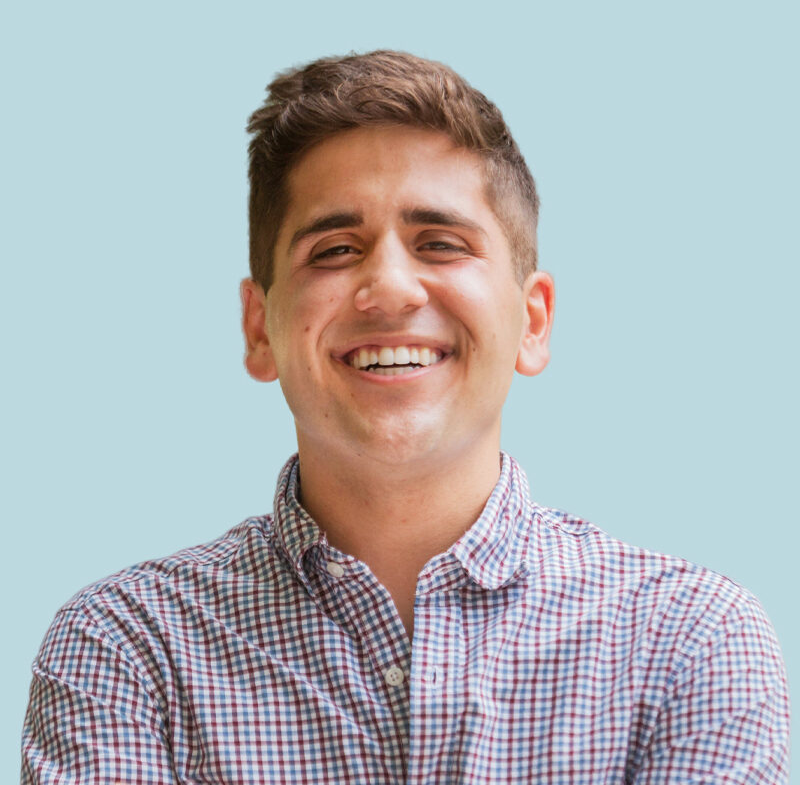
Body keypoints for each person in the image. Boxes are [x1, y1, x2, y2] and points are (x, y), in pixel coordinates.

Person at [22, 50, 790, 784]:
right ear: (260, 329)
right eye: (333, 250)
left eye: (441, 243)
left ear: (533, 321)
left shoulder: (690, 639)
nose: (389, 288)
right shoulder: (126, 646)